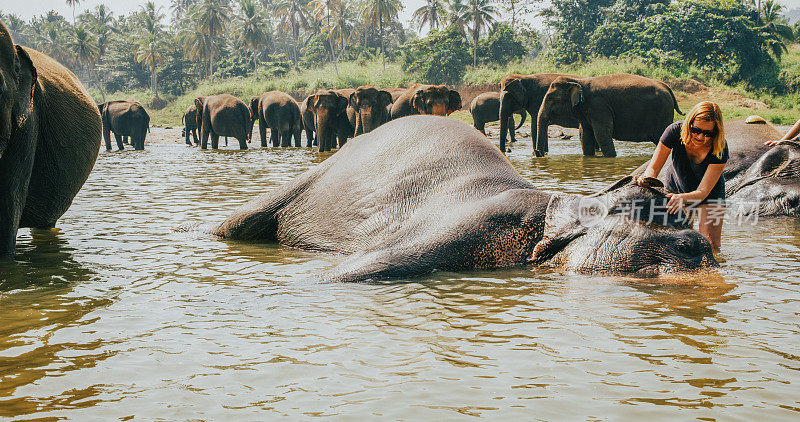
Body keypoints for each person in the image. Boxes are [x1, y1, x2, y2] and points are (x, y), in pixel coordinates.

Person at [636, 101, 728, 252]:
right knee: (682, 242)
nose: (700, 136)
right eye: (696, 130)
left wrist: (683, 199)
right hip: (677, 186)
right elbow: (653, 167)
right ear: (689, 123)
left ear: (716, 132)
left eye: (708, 133)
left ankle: (710, 276)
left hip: (710, 193)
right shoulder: (674, 131)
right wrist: (647, 180)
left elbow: (703, 192)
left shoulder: (720, 147)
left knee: (711, 245)